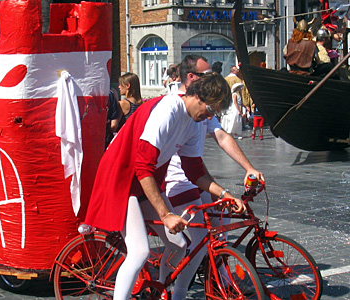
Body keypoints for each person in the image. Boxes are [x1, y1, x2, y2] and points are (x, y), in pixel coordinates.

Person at [84, 73, 246, 300]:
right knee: (140, 252)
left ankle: (159, 291)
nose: (210, 116)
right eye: (210, 109)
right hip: (121, 178)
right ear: (197, 96)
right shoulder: (168, 110)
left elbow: (195, 171)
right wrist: (166, 213)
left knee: (179, 245)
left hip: (142, 180)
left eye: (215, 113)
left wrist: (226, 195)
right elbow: (142, 166)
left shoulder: (192, 121)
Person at [164, 55, 264, 300]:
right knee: (196, 241)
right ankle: (175, 290)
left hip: (198, 177)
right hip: (177, 181)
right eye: (206, 73)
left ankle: (222, 280)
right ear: (191, 77)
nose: (213, 78)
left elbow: (222, 136)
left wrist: (249, 167)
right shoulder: (174, 106)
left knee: (220, 228)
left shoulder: (206, 104)